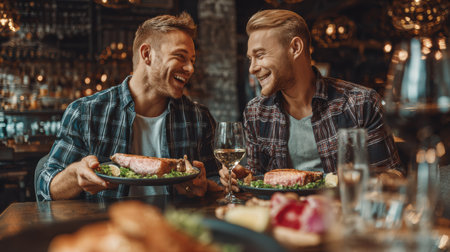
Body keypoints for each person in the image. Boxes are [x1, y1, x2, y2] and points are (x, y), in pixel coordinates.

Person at [36, 12, 220, 201]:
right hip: (108, 226)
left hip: (175, 226)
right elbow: (46, 189)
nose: (190, 68)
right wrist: (75, 174)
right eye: (180, 57)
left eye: (192, 60)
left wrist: (206, 186)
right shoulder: (86, 112)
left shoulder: (199, 118)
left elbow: (218, 182)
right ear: (147, 54)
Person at [219, 9, 403, 192]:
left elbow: (393, 175)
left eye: (260, 55)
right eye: (251, 59)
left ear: (295, 48)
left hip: (341, 215)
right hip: (282, 216)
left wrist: (362, 179)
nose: (252, 68)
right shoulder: (255, 112)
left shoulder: (361, 103)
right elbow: (257, 179)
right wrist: (242, 178)